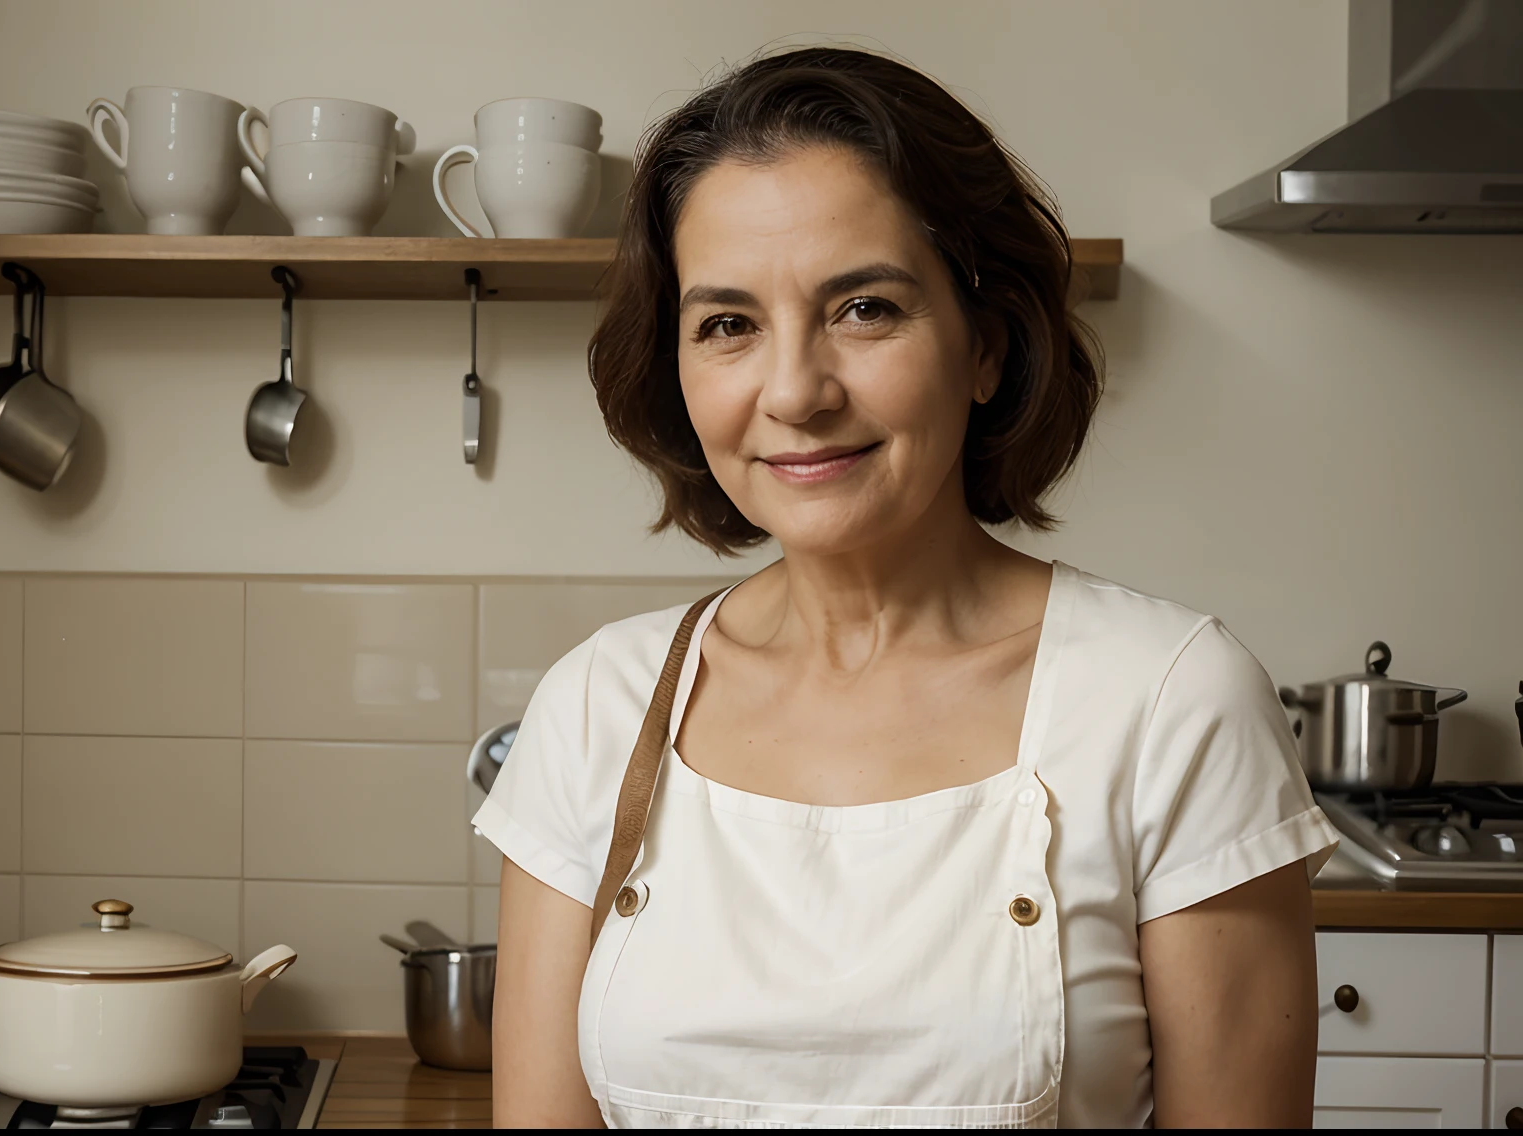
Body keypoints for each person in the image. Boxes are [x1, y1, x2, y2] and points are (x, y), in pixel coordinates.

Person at [473, 47, 1334, 1129]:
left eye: (864, 308)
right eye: (727, 324)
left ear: (985, 344)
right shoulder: (594, 706)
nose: (793, 390)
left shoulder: (1170, 699)